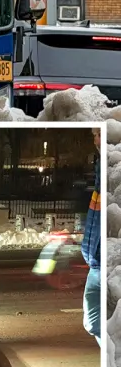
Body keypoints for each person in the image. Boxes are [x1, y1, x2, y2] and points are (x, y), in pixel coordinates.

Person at [82, 127, 102, 347]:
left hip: (101, 261)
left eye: (99, 133)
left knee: (97, 322)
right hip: (95, 261)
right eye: (94, 134)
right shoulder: (100, 167)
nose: (96, 139)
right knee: (93, 322)